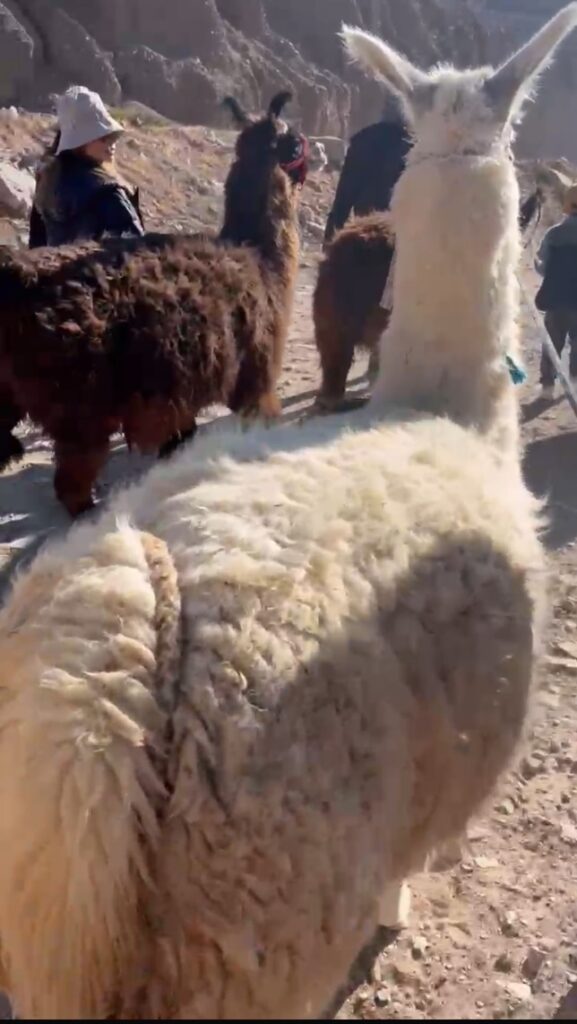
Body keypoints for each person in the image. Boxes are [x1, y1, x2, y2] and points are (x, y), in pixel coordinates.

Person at [29, 85, 144, 249]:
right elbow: (137, 251)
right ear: (80, 141)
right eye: (102, 137)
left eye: (111, 136)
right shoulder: (108, 192)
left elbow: (36, 250)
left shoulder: (47, 183)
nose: (111, 143)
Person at [323, 91, 410, 247]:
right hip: (399, 232)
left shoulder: (362, 140)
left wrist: (329, 245)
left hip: (366, 228)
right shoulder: (411, 146)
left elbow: (343, 198)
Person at [535, 183, 577, 399]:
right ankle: (574, 384)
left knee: (552, 343)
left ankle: (547, 388)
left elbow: (542, 266)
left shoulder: (554, 234)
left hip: (557, 299)